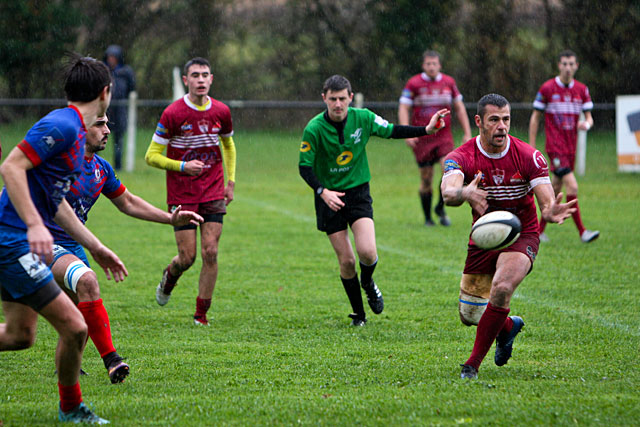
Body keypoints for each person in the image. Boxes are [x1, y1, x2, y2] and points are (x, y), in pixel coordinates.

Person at [0, 54, 127, 423]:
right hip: (12, 240)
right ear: (105, 92)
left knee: (20, 335)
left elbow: (55, 204)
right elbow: (11, 167)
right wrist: (33, 225)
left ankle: (71, 408)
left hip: (17, 240)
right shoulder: (63, 126)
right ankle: (71, 409)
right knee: (74, 327)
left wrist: (96, 246)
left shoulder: (74, 135)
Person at [46, 114, 204, 384]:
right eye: (100, 124)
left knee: (76, 325)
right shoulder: (57, 163)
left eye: (108, 123)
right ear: (80, 128)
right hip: (41, 242)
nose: (107, 130)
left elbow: (128, 202)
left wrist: (170, 219)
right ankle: (112, 360)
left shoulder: (100, 169)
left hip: (72, 243)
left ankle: (68, 376)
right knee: (87, 281)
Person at [441, 93, 576, 380]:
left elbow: (546, 201)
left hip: (522, 234)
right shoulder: (461, 156)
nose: (502, 126)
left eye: (506, 120)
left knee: (501, 288)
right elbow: (448, 192)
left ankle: (472, 365)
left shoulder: (529, 156)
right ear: (479, 122)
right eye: (494, 120)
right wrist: (464, 192)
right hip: (484, 237)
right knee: (470, 315)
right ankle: (508, 327)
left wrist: (550, 211)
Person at [299, 75, 448, 326]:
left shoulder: (364, 118)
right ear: (324, 98)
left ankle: (368, 281)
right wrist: (322, 191)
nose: (338, 104)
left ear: (350, 97)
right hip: (328, 197)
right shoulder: (313, 129)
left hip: (357, 193)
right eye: (332, 99)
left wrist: (426, 129)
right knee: (346, 261)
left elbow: (391, 130)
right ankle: (359, 314)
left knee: (367, 252)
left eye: (342, 99)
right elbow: (305, 167)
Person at [145, 57, 236, 326]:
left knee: (210, 252)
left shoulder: (221, 111)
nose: (200, 79)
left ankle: (201, 315)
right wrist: (182, 166)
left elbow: (228, 146)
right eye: (194, 75)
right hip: (182, 193)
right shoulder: (173, 114)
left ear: (211, 79)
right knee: (188, 257)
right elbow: (151, 156)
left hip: (212, 190)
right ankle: (169, 277)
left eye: (205, 75)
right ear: (186, 80)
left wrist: (230, 182)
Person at [529, 49, 599, 243]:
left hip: (571, 147)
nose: (568, 68)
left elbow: (589, 117)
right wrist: (532, 145)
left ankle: (536, 230)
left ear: (576, 66)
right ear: (559, 66)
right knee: (572, 186)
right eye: (564, 64)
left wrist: (587, 124)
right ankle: (583, 232)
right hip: (555, 146)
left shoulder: (581, 89)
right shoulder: (548, 88)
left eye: (571, 64)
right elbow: (535, 117)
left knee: (554, 188)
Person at [398, 50, 472, 227]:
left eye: (434, 64)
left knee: (448, 168)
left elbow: (460, 108)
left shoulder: (449, 83)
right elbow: (403, 107)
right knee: (426, 179)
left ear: (440, 65)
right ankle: (428, 218)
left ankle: (440, 207)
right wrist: (406, 132)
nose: (431, 67)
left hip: (443, 137)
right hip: (422, 136)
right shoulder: (414, 83)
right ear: (424, 65)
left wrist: (467, 132)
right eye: (428, 64)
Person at [104, 45, 136, 171]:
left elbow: (131, 89)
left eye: (113, 57)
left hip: (120, 111)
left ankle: (118, 166)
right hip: (105, 109)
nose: (111, 59)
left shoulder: (125, 72)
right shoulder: (104, 70)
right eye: (109, 57)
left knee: (118, 140)